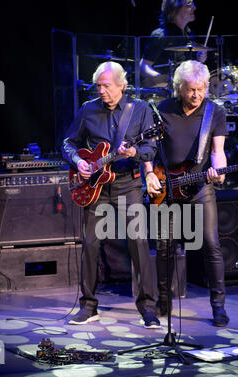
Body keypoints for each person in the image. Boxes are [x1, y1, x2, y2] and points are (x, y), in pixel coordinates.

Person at [62, 61, 161, 328]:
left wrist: (134, 153)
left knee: (138, 243)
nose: (102, 91)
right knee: (91, 243)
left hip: (127, 183)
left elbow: (151, 150)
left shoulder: (139, 110)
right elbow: (68, 143)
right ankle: (88, 305)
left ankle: (148, 308)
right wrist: (78, 162)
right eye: (98, 86)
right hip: (95, 186)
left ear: (122, 86)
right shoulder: (87, 109)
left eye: (106, 86)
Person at [146, 60, 230, 328]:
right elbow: (147, 148)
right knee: (164, 246)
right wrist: (149, 173)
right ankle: (163, 302)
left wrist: (220, 169)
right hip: (168, 186)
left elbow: (217, 151)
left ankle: (218, 307)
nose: (196, 95)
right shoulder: (162, 109)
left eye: (202, 89)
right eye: (191, 89)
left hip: (199, 186)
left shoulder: (214, 112)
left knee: (211, 243)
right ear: (179, 88)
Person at [140, 0, 207, 89]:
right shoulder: (161, 35)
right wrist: (161, 78)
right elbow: (143, 66)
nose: (194, 7)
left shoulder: (189, 33)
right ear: (175, 9)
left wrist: (200, 59)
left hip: (183, 89)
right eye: (189, 4)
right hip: (163, 91)